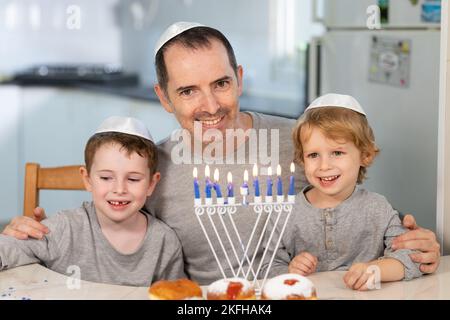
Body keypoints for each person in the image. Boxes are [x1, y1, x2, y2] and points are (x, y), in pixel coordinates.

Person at [2, 22, 440, 284]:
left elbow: (354, 208)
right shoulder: (150, 170)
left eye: (221, 83)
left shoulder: (303, 142)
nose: (210, 106)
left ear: (240, 78)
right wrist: (31, 231)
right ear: (163, 97)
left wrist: (407, 241)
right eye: (188, 91)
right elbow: (98, 226)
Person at [262, 94, 423, 290]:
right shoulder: (284, 213)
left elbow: (412, 258)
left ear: (365, 155)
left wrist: (376, 270)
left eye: (337, 153)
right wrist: (290, 270)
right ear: (302, 160)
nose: (324, 165)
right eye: (313, 155)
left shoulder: (378, 208)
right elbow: (265, 268)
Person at [0, 116, 185, 286]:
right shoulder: (65, 228)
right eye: (106, 178)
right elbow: (8, 250)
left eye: (133, 179)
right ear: (87, 179)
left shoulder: (164, 242)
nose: (119, 189)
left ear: (152, 184)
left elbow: (177, 297)